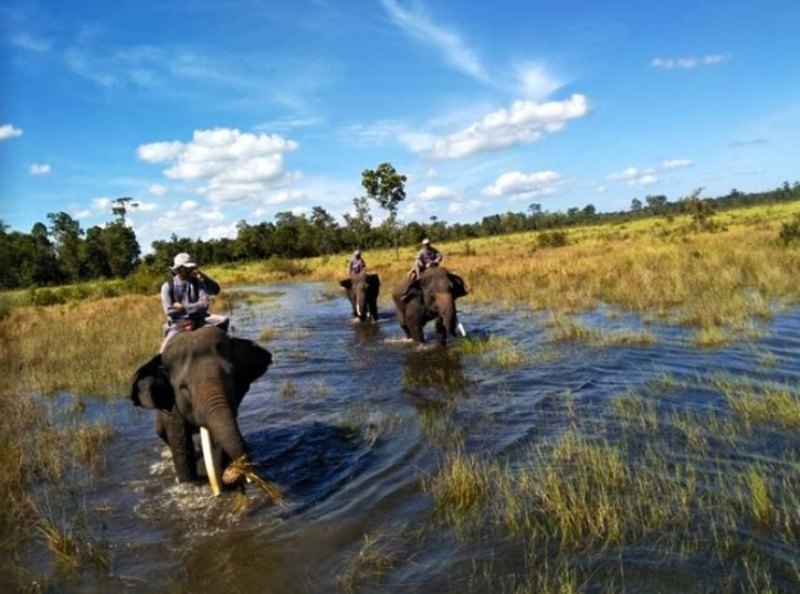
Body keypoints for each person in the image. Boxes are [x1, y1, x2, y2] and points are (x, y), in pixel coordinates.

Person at [159, 253, 229, 352]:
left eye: (190, 268)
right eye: (186, 268)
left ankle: (223, 347)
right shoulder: (167, 286)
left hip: (201, 318)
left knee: (224, 320)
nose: (190, 270)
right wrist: (195, 307)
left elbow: (204, 303)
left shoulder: (198, 282)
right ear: (178, 269)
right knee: (163, 350)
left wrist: (184, 308)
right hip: (178, 323)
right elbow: (169, 311)